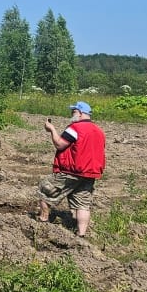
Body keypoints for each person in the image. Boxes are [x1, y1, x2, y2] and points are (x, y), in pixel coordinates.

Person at [37, 101, 106, 238]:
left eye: (73, 111)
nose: (71, 114)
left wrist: (51, 129)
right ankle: (81, 234)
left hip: (71, 171)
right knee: (82, 204)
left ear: (80, 113)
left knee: (45, 190)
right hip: (89, 173)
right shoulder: (99, 131)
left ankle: (43, 219)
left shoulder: (74, 128)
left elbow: (60, 144)